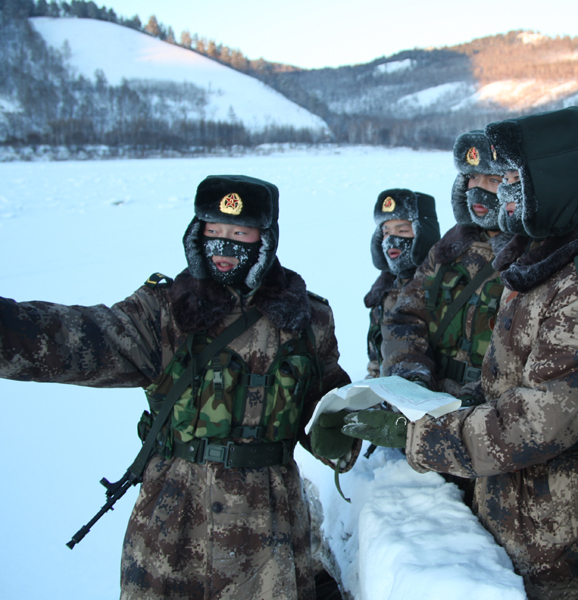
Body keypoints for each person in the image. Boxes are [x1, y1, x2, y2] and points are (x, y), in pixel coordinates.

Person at [344, 106, 578, 599]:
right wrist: (429, 400)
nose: (497, 190)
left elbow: (538, 421)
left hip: (560, 525)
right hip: (509, 501)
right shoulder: (538, 261)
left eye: (509, 176)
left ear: (547, 181)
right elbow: (502, 383)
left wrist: (422, 435)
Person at [0, 175, 352, 599]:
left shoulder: (306, 319)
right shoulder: (164, 312)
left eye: (240, 233)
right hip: (172, 525)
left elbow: (330, 410)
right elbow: (73, 338)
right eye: (213, 231)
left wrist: (360, 432)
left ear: (265, 238)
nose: (224, 246)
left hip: (268, 531)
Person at [380, 130, 512, 398]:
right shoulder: (447, 249)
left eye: (493, 180)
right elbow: (405, 315)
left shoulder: (527, 258)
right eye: (473, 177)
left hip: (488, 412)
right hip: (429, 400)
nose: (478, 189)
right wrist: (411, 376)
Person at [363, 188, 440, 378]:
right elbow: (376, 362)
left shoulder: (443, 287)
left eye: (403, 230)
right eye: (386, 231)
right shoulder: (383, 293)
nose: (391, 241)